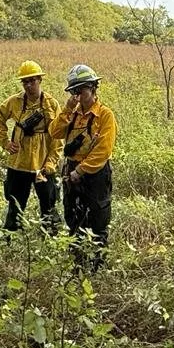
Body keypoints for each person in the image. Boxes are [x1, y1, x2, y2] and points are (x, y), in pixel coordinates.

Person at [50, 64, 117, 268]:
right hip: (72, 170)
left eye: (82, 90)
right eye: (75, 91)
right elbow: (54, 132)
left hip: (95, 175)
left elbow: (102, 152)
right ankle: (77, 263)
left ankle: (96, 266)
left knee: (97, 220)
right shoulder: (72, 114)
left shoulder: (105, 115)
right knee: (73, 217)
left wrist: (81, 171)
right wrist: (68, 109)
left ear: (93, 88)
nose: (79, 95)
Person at [0, 60, 62, 233]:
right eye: (25, 81)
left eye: (32, 80)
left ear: (40, 80)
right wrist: (5, 143)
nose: (29, 85)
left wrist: (51, 164)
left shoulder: (51, 104)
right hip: (19, 162)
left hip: (43, 163)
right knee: (15, 204)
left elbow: (58, 137)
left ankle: (51, 239)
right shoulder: (14, 102)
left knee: (48, 204)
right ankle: (10, 236)